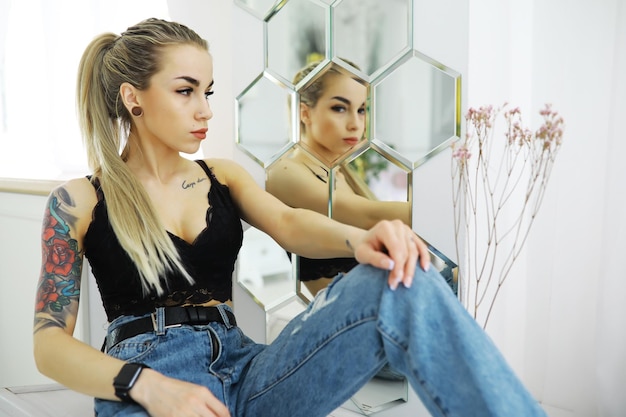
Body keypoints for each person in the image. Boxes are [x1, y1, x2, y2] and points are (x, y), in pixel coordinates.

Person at [33, 18, 546, 417]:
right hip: (149, 381)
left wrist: (364, 238)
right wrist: (145, 385)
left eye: (207, 92)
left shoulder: (221, 175)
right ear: (133, 98)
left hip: (248, 368)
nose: (205, 110)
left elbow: (290, 223)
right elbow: (49, 344)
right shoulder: (78, 201)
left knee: (401, 280)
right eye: (186, 91)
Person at [266, 61, 456, 297]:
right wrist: (455, 213)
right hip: (351, 315)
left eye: (361, 110)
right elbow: (369, 215)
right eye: (339, 108)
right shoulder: (284, 172)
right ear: (304, 112)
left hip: (388, 301)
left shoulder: (344, 173)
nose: (355, 124)